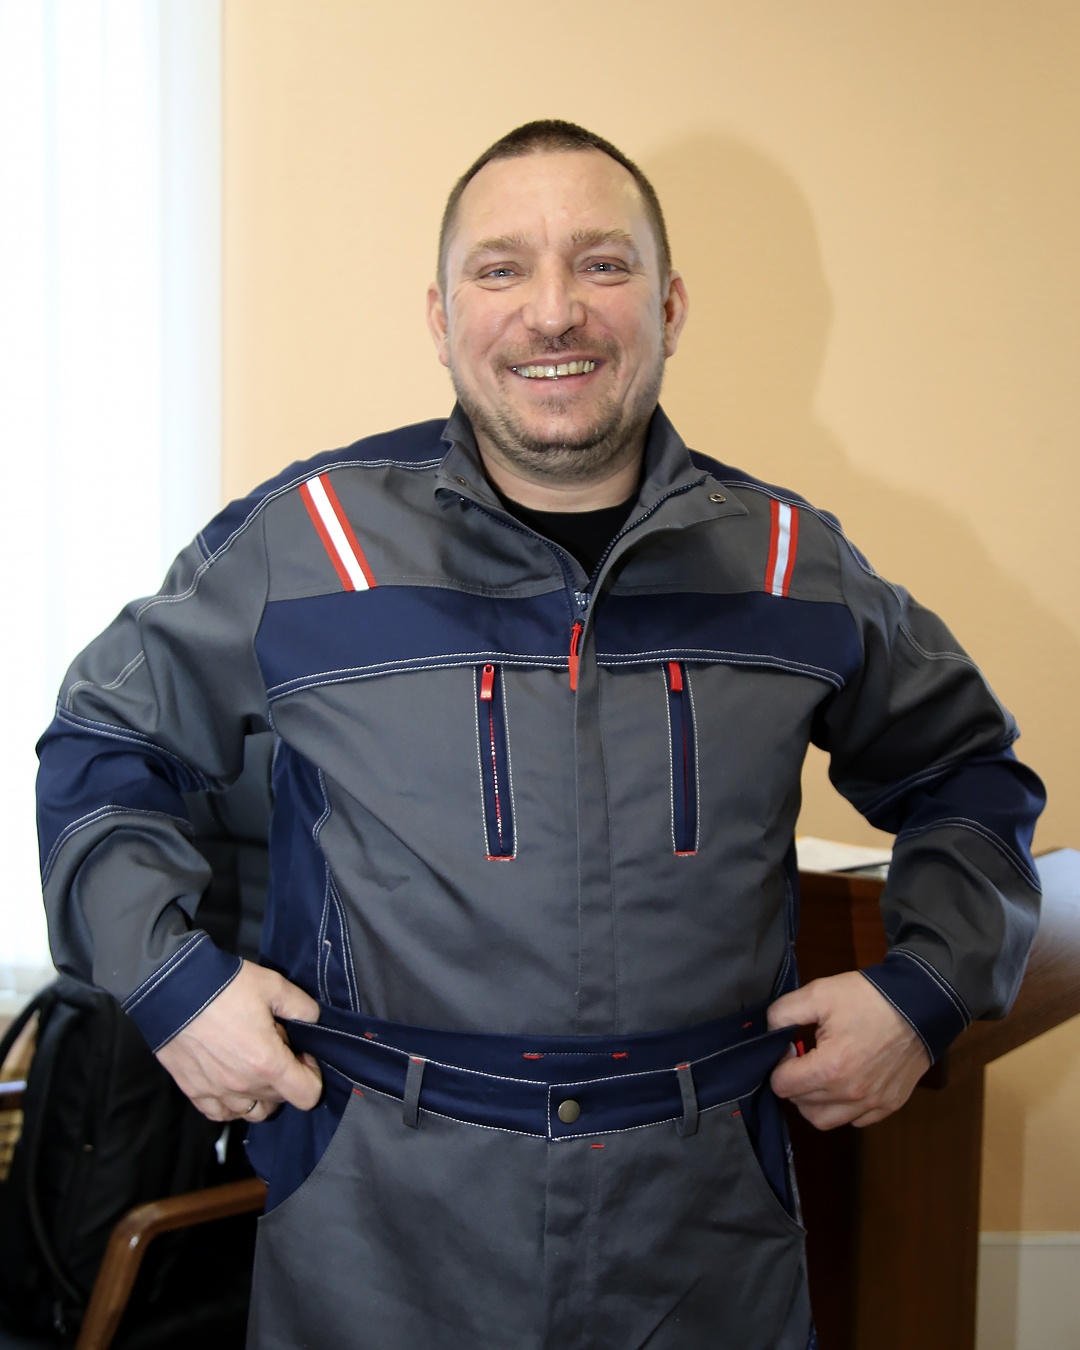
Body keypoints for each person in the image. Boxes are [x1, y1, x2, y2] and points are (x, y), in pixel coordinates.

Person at [37, 121, 1044, 1349]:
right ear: (441, 315)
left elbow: (969, 775)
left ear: (670, 306)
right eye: (502, 268)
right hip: (379, 1229)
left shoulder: (791, 563)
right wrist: (172, 987)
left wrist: (928, 991)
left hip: (704, 1241)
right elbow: (100, 751)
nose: (554, 311)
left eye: (603, 265)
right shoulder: (307, 545)